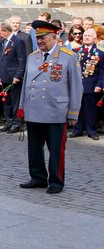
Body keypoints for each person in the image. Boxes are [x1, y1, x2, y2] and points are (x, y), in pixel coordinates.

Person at [16, 20, 83, 194]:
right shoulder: (33, 57)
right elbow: (26, 84)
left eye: (43, 37)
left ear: (54, 37)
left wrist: (73, 113)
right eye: (38, 38)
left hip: (56, 111)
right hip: (34, 109)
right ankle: (38, 177)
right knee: (34, 148)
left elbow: (76, 87)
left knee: (56, 149)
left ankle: (56, 181)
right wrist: (22, 106)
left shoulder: (68, 57)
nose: (39, 41)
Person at [72, 28, 104, 140]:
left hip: (91, 85)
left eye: (89, 36)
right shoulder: (75, 52)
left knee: (90, 110)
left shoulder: (100, 53)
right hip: (77, 85)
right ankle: (77, 130)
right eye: (85, 35)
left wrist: (100, 84)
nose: (86, 37)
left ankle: (91, 131)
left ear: (95, 39)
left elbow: (102, 71)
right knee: (77, 109)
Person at [0, 20, 27, 133]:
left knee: (15, 102)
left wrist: (18, 75)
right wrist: (0, 76)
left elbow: (22, 60)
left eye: (0, 33)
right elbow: (2, 60)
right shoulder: (4, 42)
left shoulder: (18, 41)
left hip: (14, 77)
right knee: (7, 102)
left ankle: (16, 123)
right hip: (5, 77)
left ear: (5, 31)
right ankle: (8, 122)